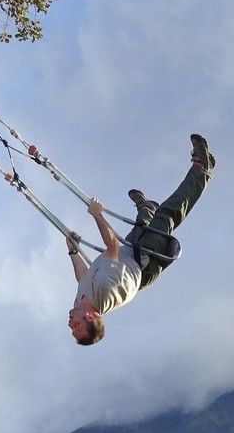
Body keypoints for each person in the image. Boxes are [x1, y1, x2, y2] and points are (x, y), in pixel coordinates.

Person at [66, 133, 215, 345]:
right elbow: (112, 246)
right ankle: (202, 169)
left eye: (72, 329)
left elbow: (83, 279)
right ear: (90, 317)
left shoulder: (80, 303)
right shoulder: (104, 291)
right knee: (167, 215)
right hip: (144, 263)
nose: (70, 324)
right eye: (76, 326)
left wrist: (73, 251)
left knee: (142, 227)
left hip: (129, 258)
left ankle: (146, 208)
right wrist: (97, 213)